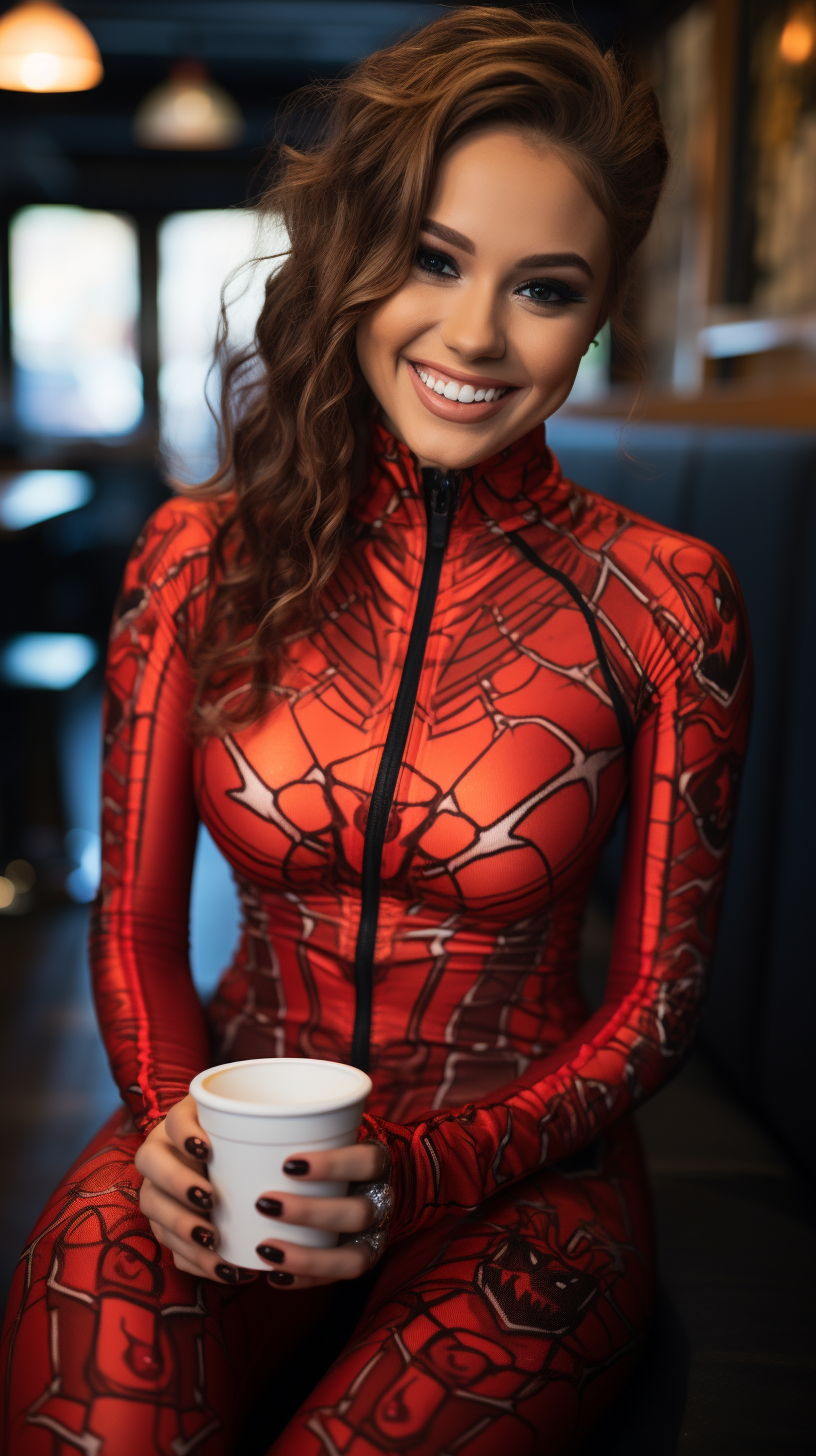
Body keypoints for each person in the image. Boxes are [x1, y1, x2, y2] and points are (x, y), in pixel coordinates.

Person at [1, 8, 752, 1454]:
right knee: (92, 1322)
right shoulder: (193, 555)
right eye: (433, 258)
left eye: (544, 287)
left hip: (529, 1181)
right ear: (356, 258)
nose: (475, 335)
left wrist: (431, 1168)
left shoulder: (670, 601)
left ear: (600, 314)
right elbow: (139, 919)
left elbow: (657, 1003)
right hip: (222, 1136)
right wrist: (171, 1120)